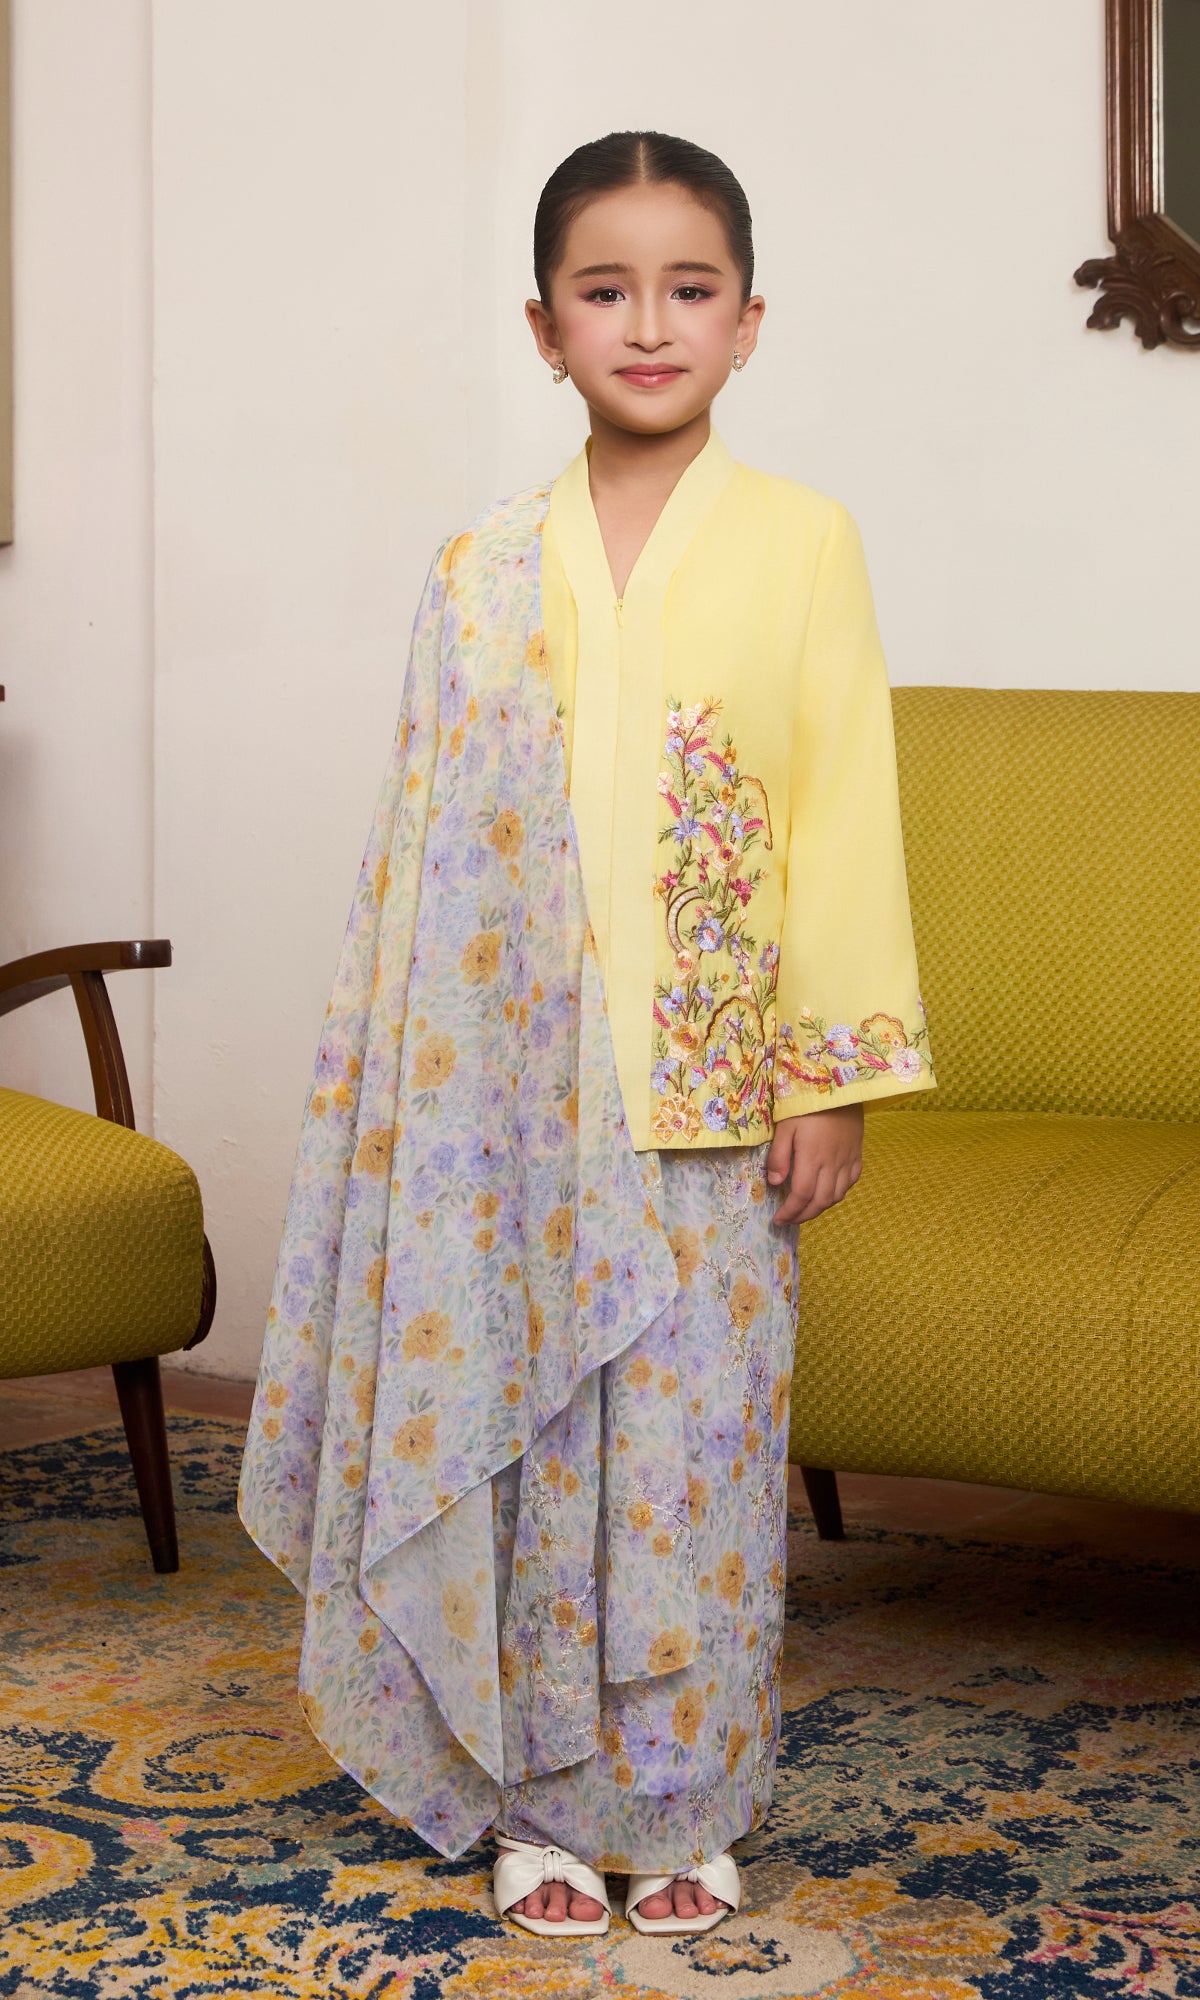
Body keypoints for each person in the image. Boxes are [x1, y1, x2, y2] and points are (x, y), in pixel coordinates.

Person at [239, 128, 934, 1945]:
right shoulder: (479, 564)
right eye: (604, 291)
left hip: (713, 1091)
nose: (648, 324)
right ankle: (536, 1796)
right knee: (534, 1453)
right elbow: (418, 856)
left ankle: (688, 1795)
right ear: (544, 329)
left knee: (696, 1459)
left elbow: (842, 808)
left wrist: (833, 1075)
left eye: (689, 289)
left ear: (750, 321)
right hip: (505, 1111)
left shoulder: (804, 540)